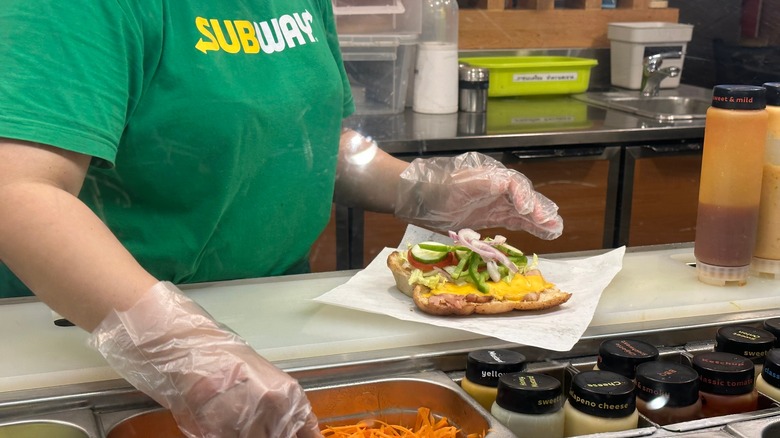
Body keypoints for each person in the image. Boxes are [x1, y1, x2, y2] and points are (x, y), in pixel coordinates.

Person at [0, 1, 562, 437]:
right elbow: (17, 188)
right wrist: (180, 346)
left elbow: (318, 139)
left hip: (274, 316)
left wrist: (420, 188)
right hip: (96, 338)